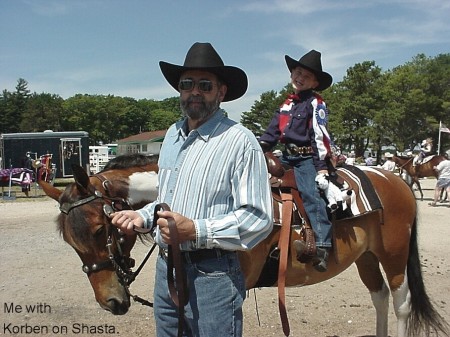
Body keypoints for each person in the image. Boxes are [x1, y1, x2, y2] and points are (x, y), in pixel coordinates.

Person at [111, 42, 273, 337]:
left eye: (205, 85)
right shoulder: (173, 135)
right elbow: (167, 198)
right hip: (166, 269)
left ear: (221, 92)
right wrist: (144, 218)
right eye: (187, 84)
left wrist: (196, 230)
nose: (194, 91)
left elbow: (258, 219)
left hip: (213, 274)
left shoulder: (240, 141)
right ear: (180, 90)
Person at [259, 49, 336, 272]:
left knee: (311, 194)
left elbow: (320, 137)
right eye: (297, 72)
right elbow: (271, 134)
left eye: (306, 76)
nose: (300, 78)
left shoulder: (316, 104)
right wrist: (255, 150)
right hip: (287, 156)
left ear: (314, 83)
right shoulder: (286, 105)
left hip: (306, 159)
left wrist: (321, 167)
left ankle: (322, 246)